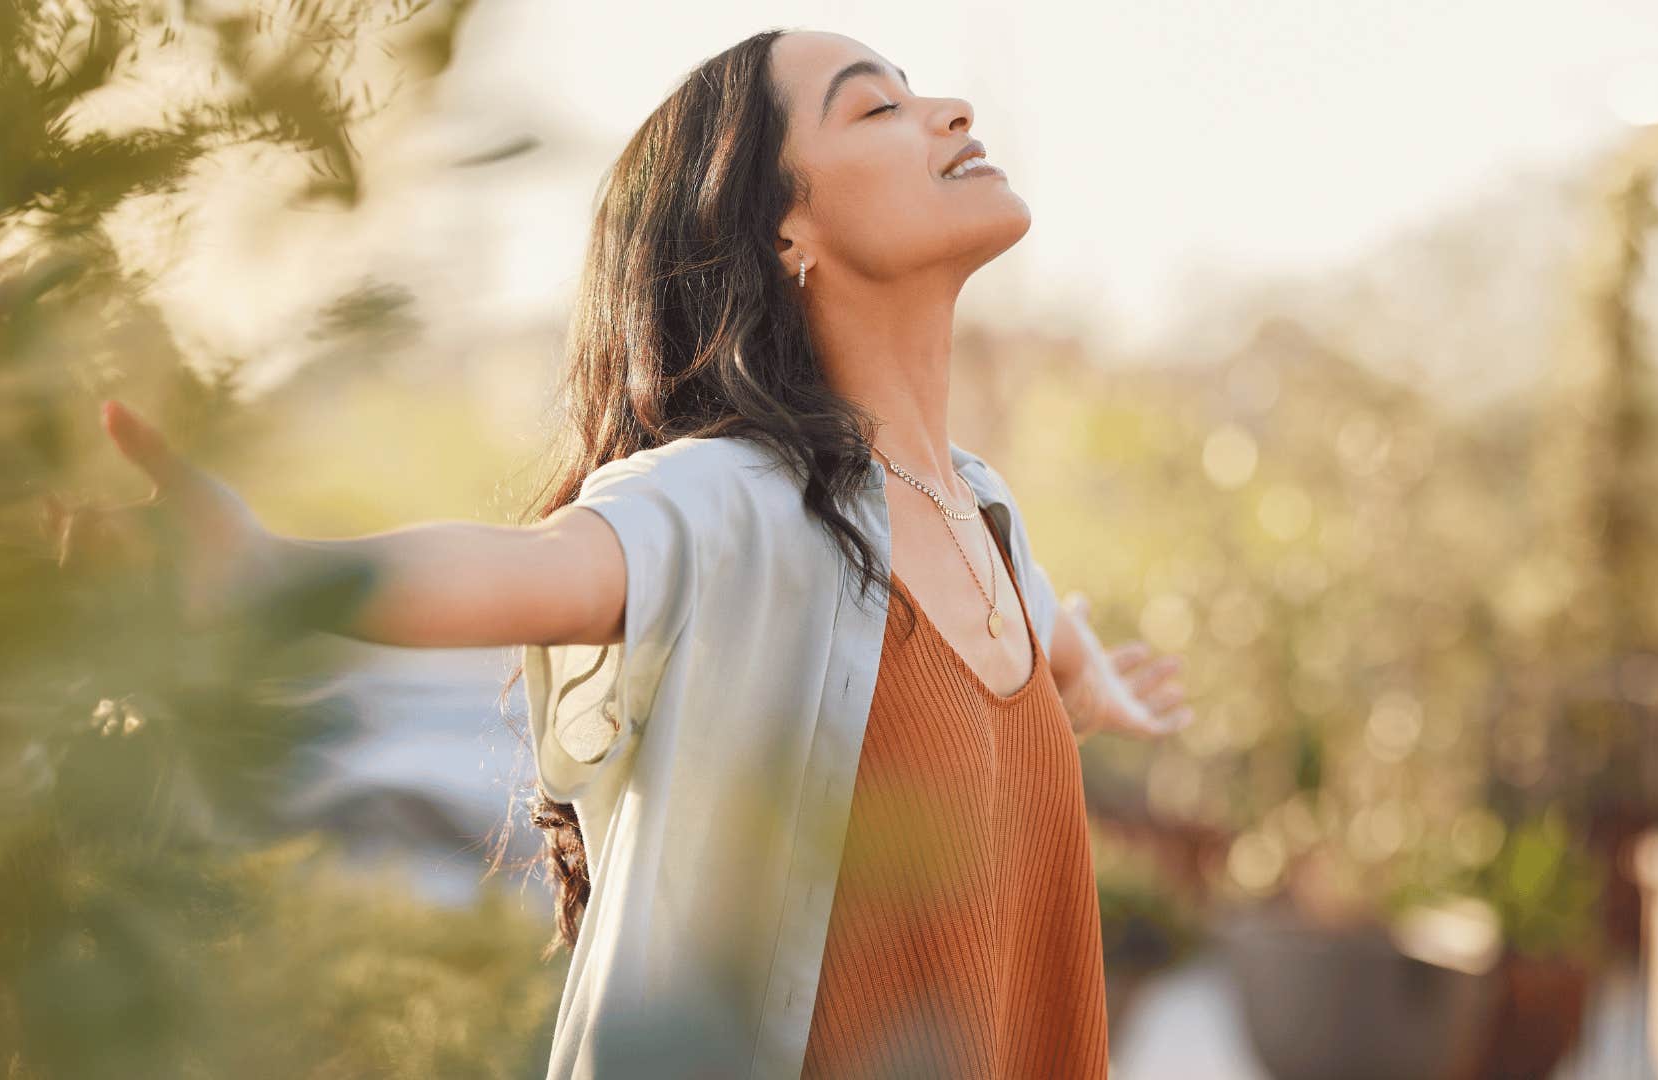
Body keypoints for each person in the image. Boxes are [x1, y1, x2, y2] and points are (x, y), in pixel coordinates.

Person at [60, 26, 1193, 1080]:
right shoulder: (736, 500)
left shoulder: (983, 515)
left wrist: (1074, 671)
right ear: (784, 229)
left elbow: (1017, 635)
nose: (949, 110)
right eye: (876, 110)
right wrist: (271, 574)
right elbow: (534, 569)